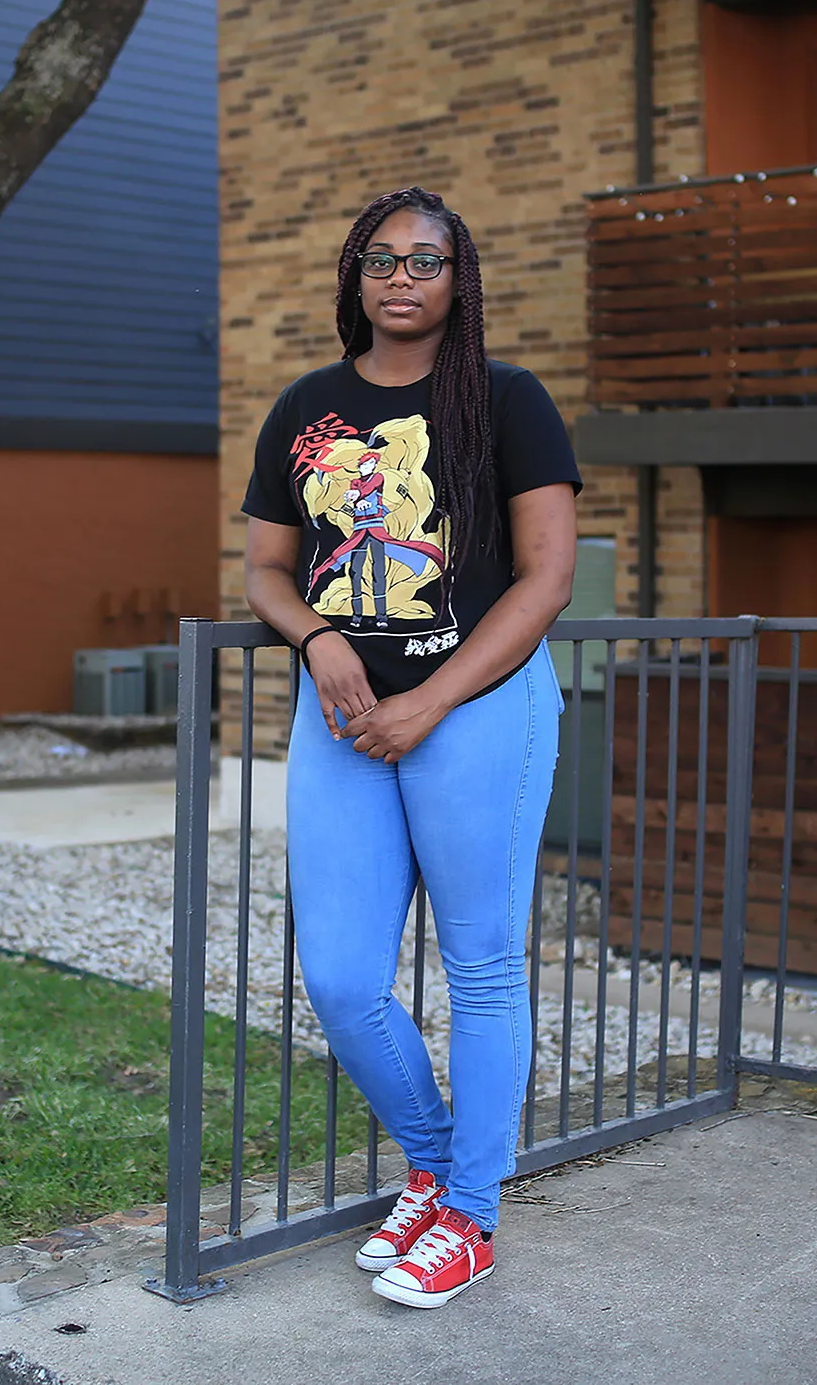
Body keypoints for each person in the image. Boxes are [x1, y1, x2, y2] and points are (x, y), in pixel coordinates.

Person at [241, 186, 581, 1308]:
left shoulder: (507, 400)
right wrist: (317, 638)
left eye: (424, 260)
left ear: (457, 278)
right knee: (342, 977)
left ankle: (470, 1215)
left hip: (477, 707)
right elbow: (266, 572)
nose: (400, 276)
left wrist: (430, 700)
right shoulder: (306, 406)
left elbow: (546, 578)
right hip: (344, 718)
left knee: (481, 965)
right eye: (380, 259)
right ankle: (433, 1163)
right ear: (355, 275)